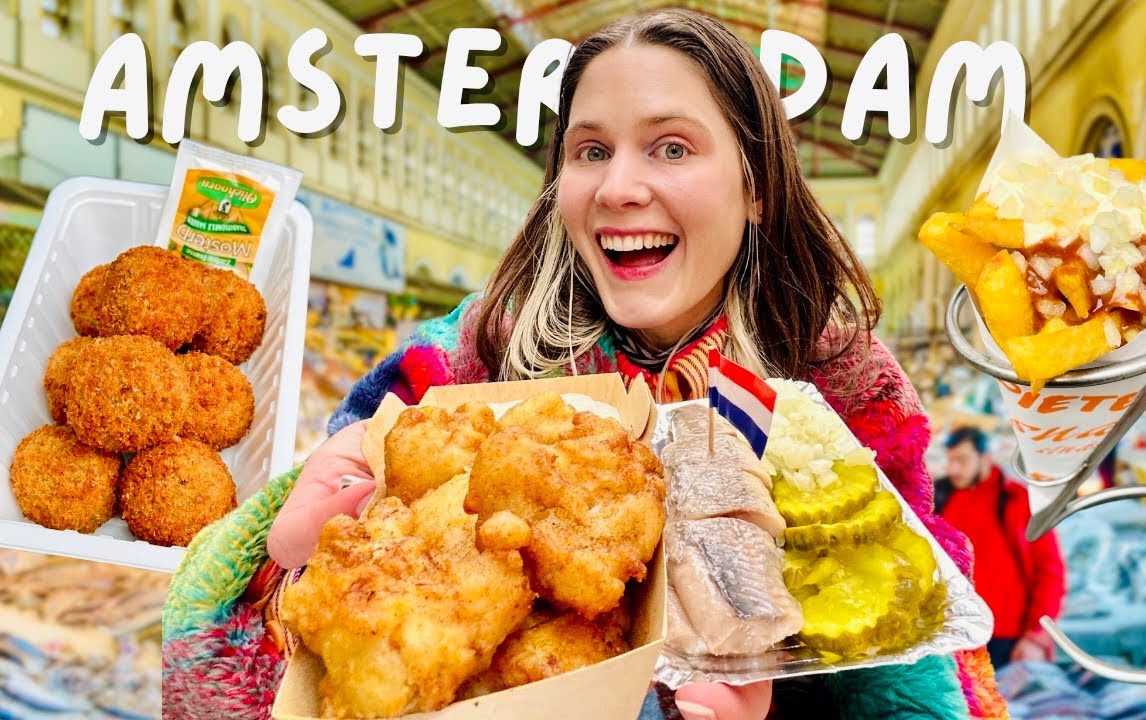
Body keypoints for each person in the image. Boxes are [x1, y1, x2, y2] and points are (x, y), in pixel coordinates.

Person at [162, 9, 1009, 719]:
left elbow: (912, 658)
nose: (617, 188)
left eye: (672, 148)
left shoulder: (845, 391)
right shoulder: (453, 366)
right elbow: (276, 651)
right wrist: (295, 565)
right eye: (590, 150)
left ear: (755, 186)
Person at [934, 427, 1067, 670]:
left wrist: (1036, 635)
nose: (953, 468)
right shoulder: (939, 497)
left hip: (1007, 638)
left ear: (985, 458)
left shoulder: (1017, 500)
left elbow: (1050, 571)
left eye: (962, 460)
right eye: (951, 460)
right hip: (953, 637)